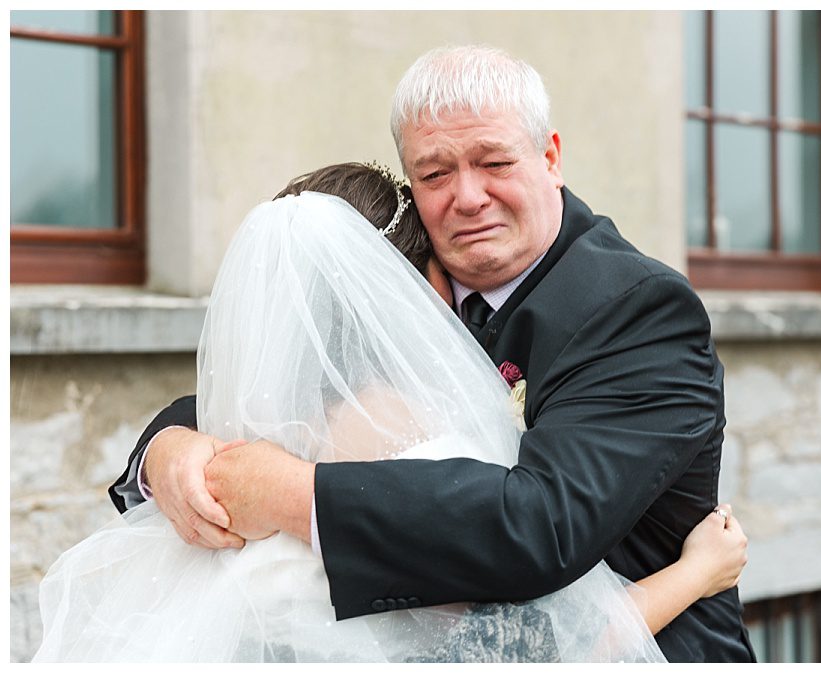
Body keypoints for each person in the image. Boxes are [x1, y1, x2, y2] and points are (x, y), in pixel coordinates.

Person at [111, 45, 756, 662]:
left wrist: (293, 494)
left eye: (494, 162)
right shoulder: (398, 287)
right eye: (436, 173)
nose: (468, 197)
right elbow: (290, 383)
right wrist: (165, 452)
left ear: (551, 158)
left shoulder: (636, 309)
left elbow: (542, 527)